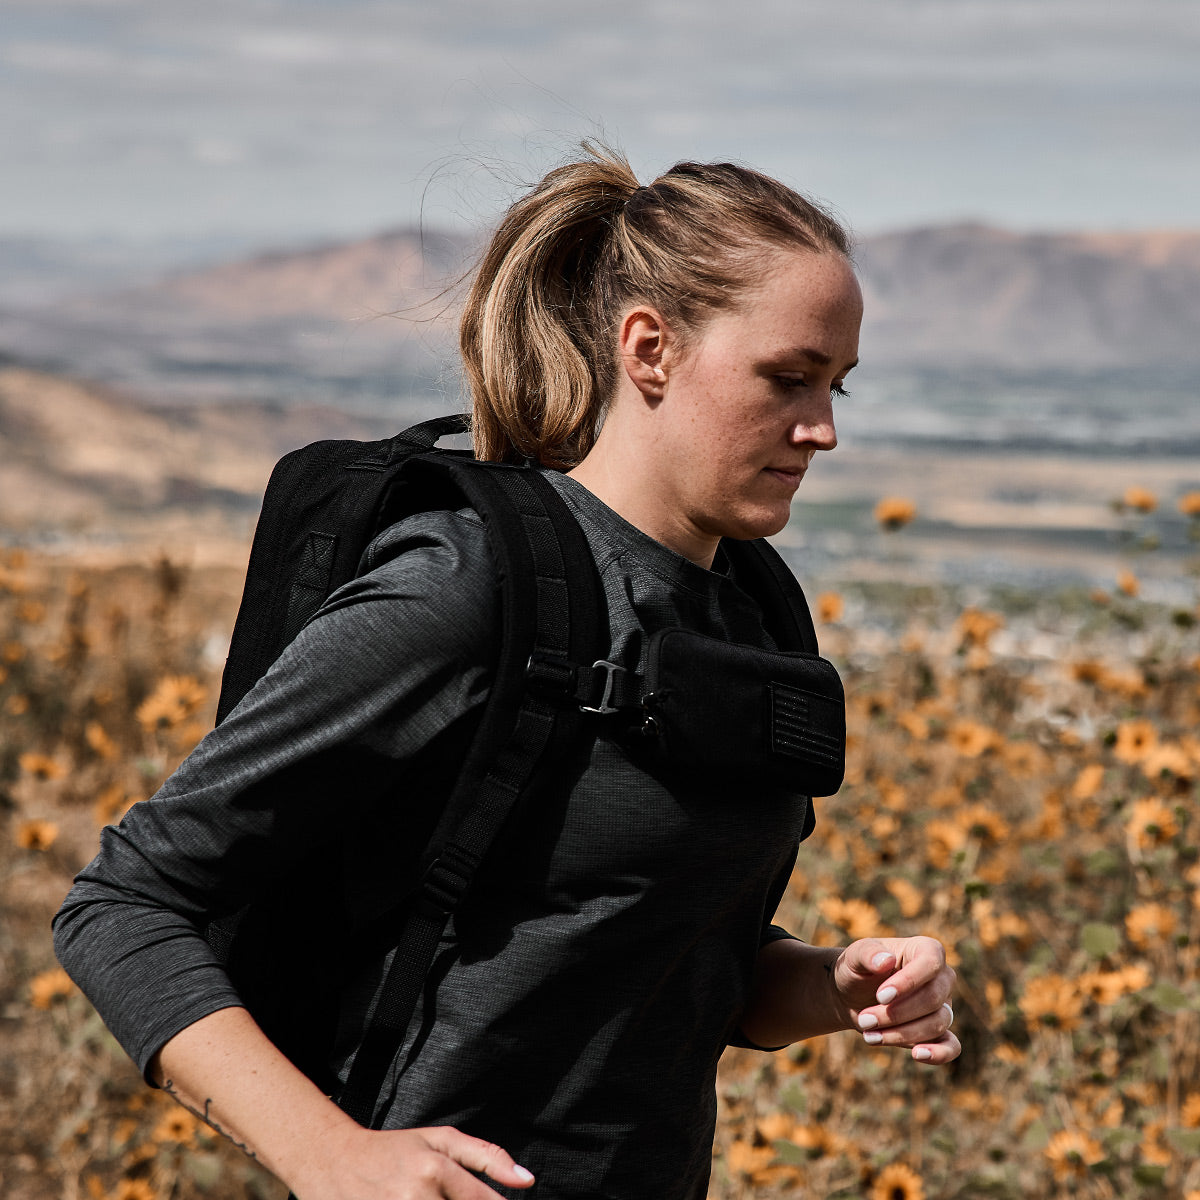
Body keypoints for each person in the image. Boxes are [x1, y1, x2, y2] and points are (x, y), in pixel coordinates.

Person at [54, 146, 959, 1200]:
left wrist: (835, 987)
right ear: (650, 349)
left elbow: (688, 968)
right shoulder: (471, 583)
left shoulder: (756, 615)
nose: (824, 429)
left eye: (837, 386)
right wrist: (331, 1155)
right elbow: (123, 902)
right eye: (788, 378)